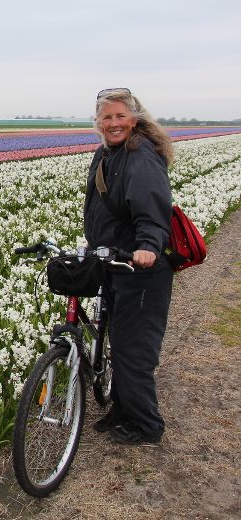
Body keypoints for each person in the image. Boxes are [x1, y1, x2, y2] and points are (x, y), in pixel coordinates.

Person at [83, 88, 174, 445]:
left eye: (120, 116)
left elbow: (153, 209)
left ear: (134, 119)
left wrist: (149, 247)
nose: (113, 123)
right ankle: (122, 410)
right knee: (119, 341)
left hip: (141, 267)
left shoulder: (140, 156)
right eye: (106, 117)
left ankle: (147, 425)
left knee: (134, 349)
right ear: (98, 122)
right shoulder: (108, 152)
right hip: (116, 261)